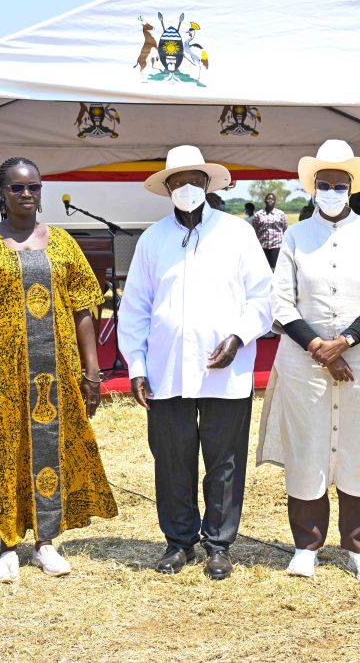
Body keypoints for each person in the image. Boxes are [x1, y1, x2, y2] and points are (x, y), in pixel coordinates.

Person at [0, 157, 117, 582]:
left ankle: (45, 541)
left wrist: (92, 372)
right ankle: (7, 543)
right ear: (2, 193)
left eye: (34, 187)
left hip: (56, 375)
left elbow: (85, 308)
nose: (27, 194)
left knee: (52, 449)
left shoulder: (61, 242)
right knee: (3, 452)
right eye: (17, 187)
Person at [118, 145, 272, 580]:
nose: (187, 188)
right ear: (167, 188)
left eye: (194, 180)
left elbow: (263, 297)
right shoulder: (152, 239)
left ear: (208, 184)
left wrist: (238, 337)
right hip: (167, 371)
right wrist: (136, 366)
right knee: (172, 459)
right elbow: (135, 309)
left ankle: (219, 544)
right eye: (178, 181)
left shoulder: (237, 233)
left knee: (224, 461)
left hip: (226, 368)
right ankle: (178, 541)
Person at [257, 139, 360, 581]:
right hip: (304, 364)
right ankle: (306, 546)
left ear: (352, 188)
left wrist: (345, 341)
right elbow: (281, 301)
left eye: (341, 184)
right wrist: (319, 348)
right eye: (326, 183)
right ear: (313, 187)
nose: (333, 190)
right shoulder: (297, 236)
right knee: (308, 449)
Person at [252, 192, 288, 270]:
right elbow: (255, 229)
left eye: (272, 199)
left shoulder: (281, 214)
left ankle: (274, 282)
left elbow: (285, 229)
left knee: (275, 268)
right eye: (268, 199)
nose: (270, 200)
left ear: (275, 201)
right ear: (265, 200)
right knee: (264, 269)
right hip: (263, 246)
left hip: (276, 246)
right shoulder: (258, 214)